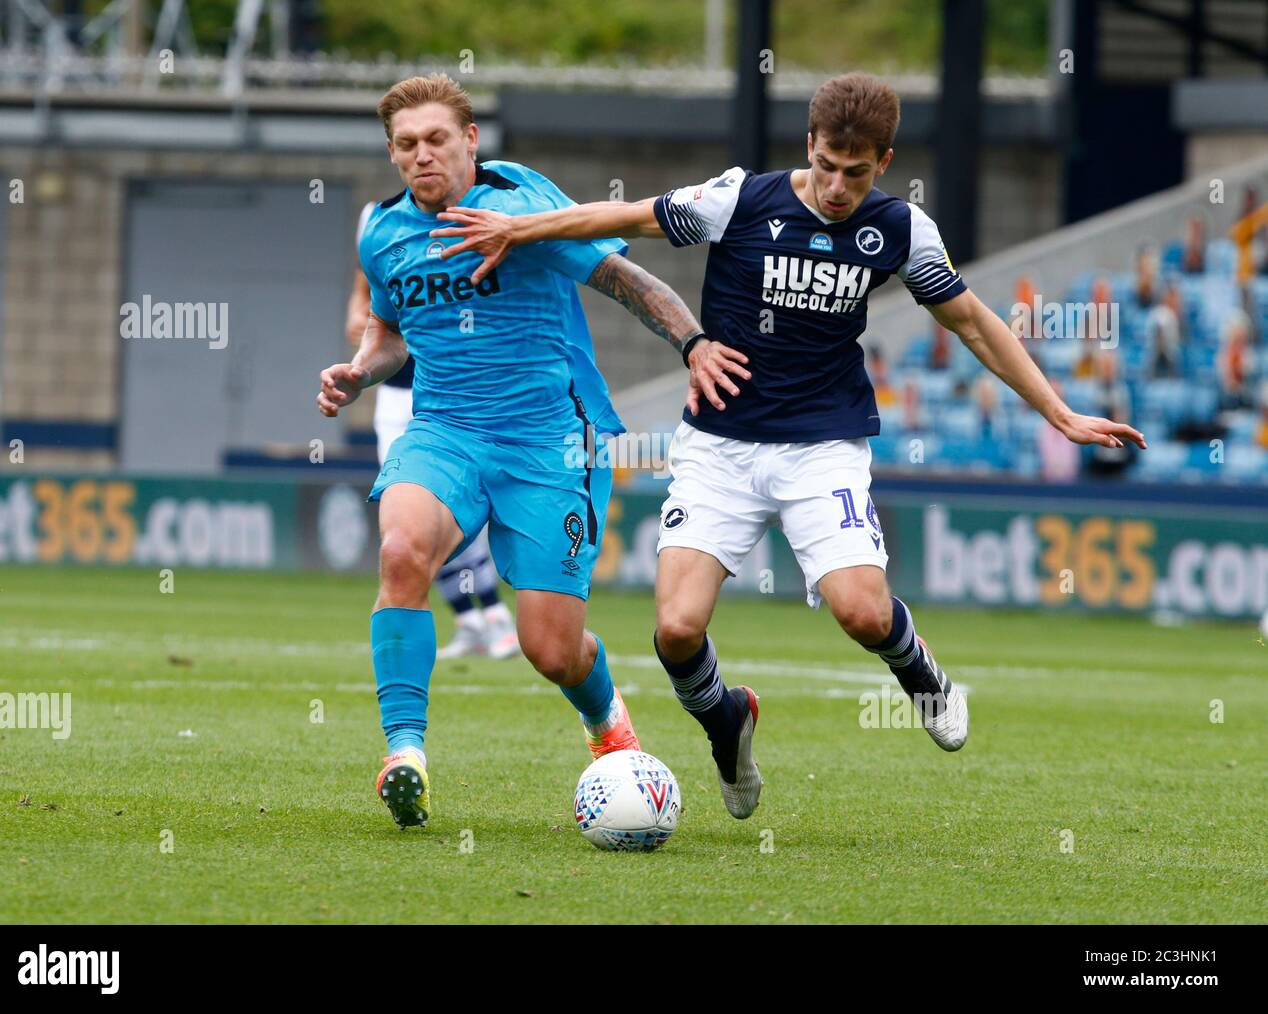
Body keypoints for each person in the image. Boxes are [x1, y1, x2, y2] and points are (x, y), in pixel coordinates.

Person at [432, 72, 1145, 820]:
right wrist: (518, 229)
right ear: (809, 144)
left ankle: (922, 675)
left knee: (864, 615)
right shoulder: (741, 199)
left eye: (858, 172)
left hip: (821, 446)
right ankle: (727, 727)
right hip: (720, 446)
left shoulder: (902, 229)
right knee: (676, 630)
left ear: (885, 161)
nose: (838, 186)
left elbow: (971, 322)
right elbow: (626, 216)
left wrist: (1058, 412)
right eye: (828, 164)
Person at [316, 73, 749, 830]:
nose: (423, 155)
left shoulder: (520, 204)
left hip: (554, 439)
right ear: (392, 153)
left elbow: (620, 276)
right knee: (401, 550)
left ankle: (608, 724)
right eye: (407, 145)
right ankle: (405, 754)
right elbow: (386, 335)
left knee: (549, 648)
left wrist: (693, 342)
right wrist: (359, 372)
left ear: (472, 140)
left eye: (438, 139)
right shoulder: (381, 235)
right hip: (445, 430)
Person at [344, 218, 518, 660]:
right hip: (394, 399)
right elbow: (360, 317)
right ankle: (469, 620)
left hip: (446, 398)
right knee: (407, 515)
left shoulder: (451, 230)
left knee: (454, 511)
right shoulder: (379, 237)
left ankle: (497, 616)